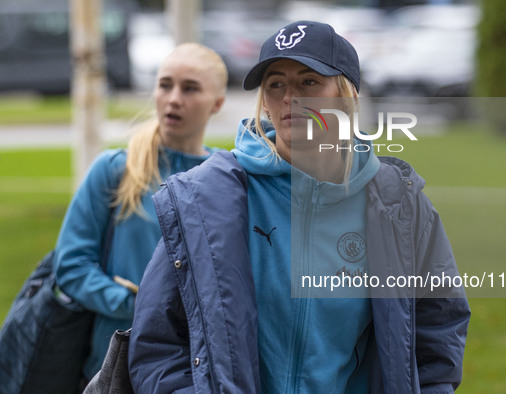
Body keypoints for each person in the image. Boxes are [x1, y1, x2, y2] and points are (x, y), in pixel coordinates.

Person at [129, 21, 470, 393]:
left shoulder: (399, 203)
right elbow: (158, 344)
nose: (290, 97)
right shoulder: (206, 198)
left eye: (309, 82)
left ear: (349, 98)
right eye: (275, 84)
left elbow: (438, 334)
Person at [53, 42, 228, 382]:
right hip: (115, 366)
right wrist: (137, 307)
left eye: (190, 88)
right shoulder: (115, 169)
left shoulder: (226, 180)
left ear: (218, 103)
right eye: (165, 85)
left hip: (193, 370)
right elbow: (71, 265)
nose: (174, 98)